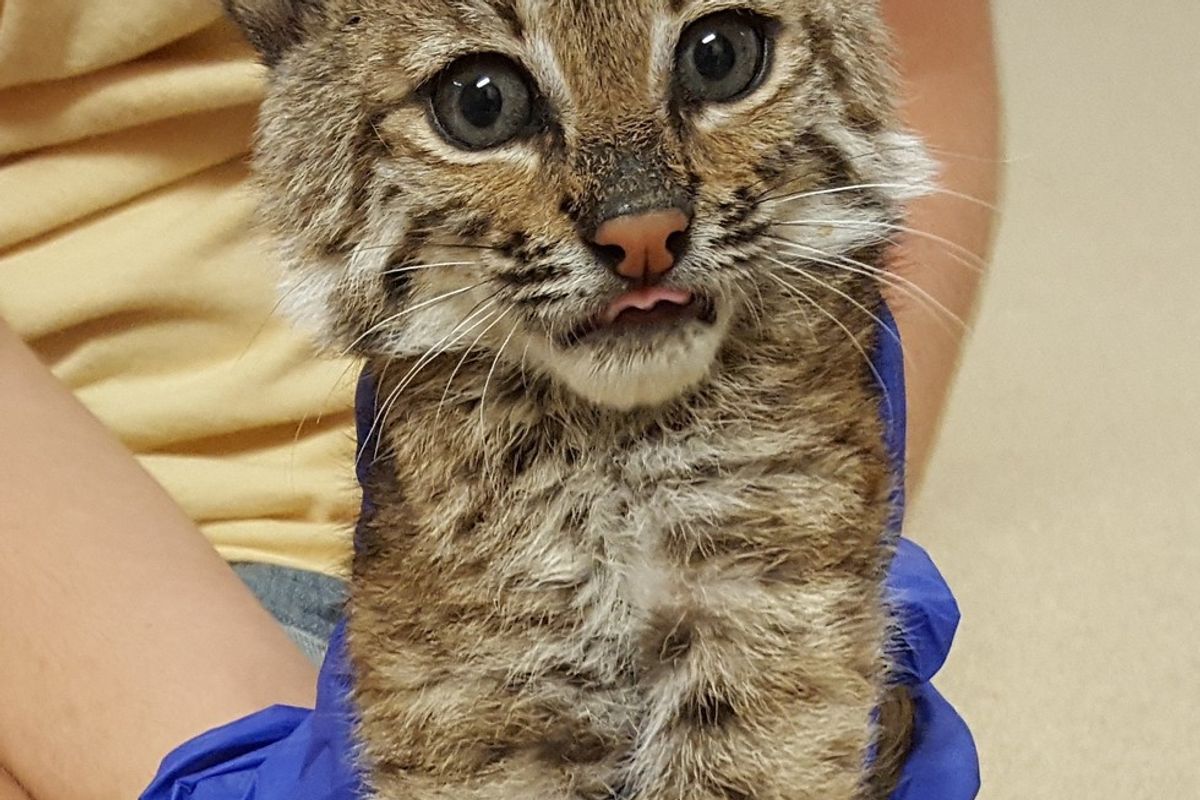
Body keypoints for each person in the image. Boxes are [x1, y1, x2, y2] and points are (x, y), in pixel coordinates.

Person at [0, 2, 1000, 797]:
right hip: (79, 536)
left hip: (378, 444)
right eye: (482, 101)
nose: (640, 214)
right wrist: (201, 757)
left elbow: (925, 57)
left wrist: (818, 517)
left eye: (718, 55)